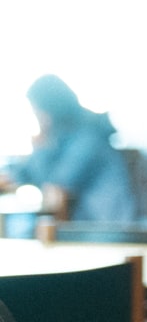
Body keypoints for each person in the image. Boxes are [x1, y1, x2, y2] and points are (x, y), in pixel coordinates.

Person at [2, 74, 136, 223]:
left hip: (106, 225)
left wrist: (40, 149)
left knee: (22, 226)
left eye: (38, 112)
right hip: (84, 222)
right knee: (21, 225)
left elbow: (57, 183)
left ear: (51, 110)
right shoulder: (63, 136)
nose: (38, 119)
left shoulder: (88, 136)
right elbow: (28, 174)